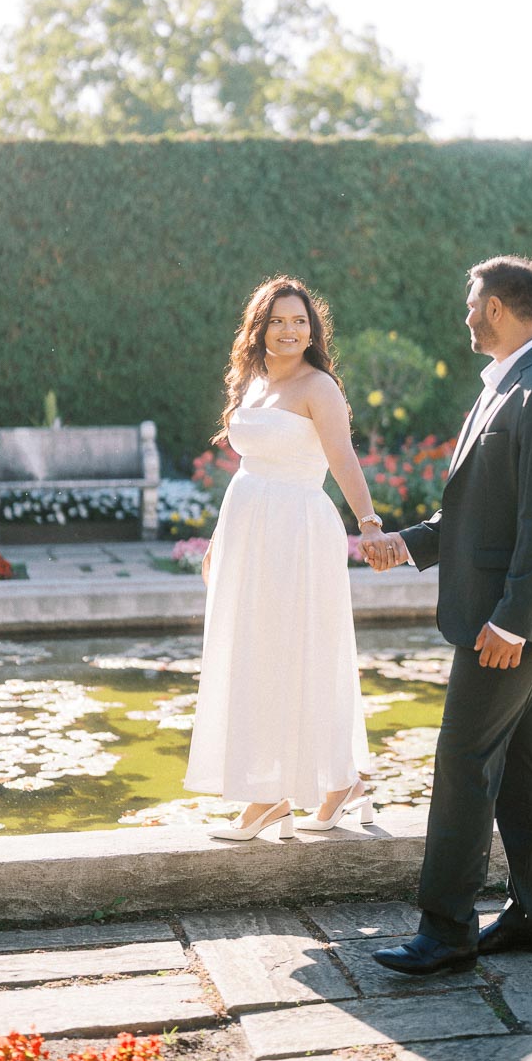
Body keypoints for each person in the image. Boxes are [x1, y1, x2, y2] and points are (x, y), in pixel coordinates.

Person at [363, 255, 532, 974]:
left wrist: (512, 621)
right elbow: (474, 513)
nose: (464, 315)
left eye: (471, 303)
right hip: (510, 616)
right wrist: (404, 546)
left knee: (462, 759)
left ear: (497, 307)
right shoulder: (507, 387)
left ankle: (447, 929)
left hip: (513, 624)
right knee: (524, 766)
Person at [185, 275, 388, 840]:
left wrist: (368, 524)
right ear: (260, 327)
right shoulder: (251, 380)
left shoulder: (318, 387)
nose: (289, 331)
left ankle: (290, 791)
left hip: (298, 531)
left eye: (300, 321)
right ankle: (327, 785)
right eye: (278, 321)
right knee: (253, 653)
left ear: (313, 330)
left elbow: (343, 458)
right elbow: (247, 469)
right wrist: (218, 543)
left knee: (300, 651)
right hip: (249, 528)